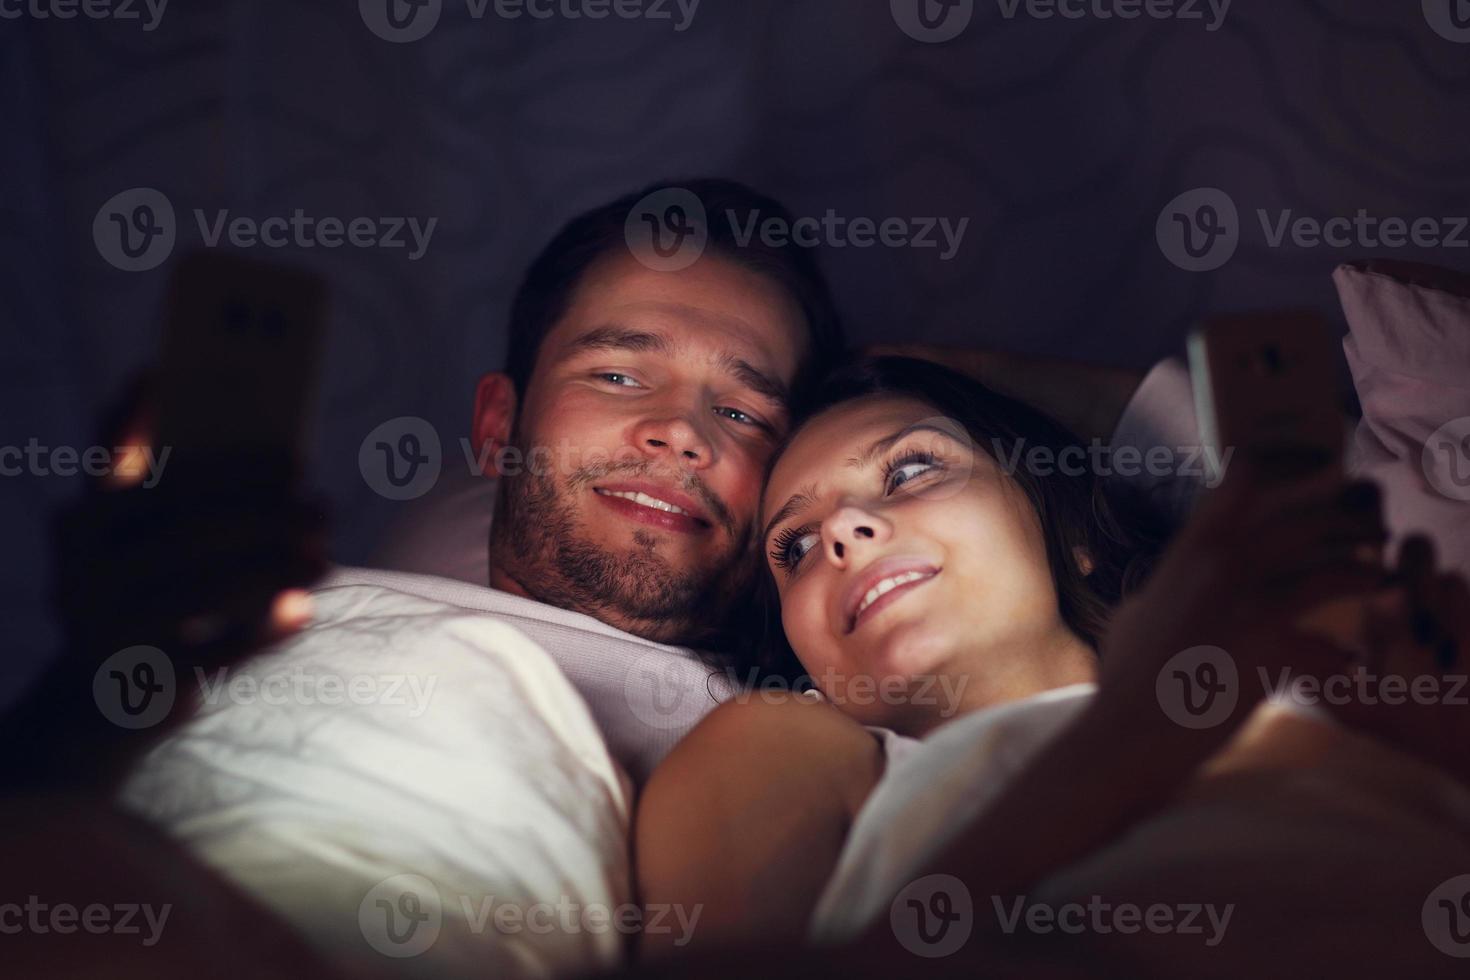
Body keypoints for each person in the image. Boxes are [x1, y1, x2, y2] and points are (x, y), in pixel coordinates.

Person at [2, 178, 844, 978]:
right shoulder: (253, 610)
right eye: (618, 375)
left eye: (742, 412)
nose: (679, 433)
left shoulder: (788, 742)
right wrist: (93, 673)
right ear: (497, 427)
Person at [636, 356, 1470, 974]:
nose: (847, 527)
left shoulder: (1317, 690)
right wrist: (1135, 731)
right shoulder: (781, 742)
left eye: (913, 467)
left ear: (1068, 533)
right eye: (797, 545)